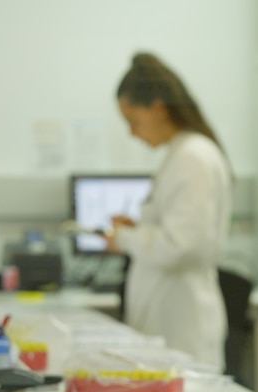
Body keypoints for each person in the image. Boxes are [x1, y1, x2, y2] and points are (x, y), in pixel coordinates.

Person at [105, 52, 232, 370]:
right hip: (171, 320)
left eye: (134, 121)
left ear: (159, 108)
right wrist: (136, 229)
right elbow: (178, 229)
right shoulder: (182, 155)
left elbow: (181, 246)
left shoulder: (192, 158)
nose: (132, 133)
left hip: (182, 325)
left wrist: (125, 239)